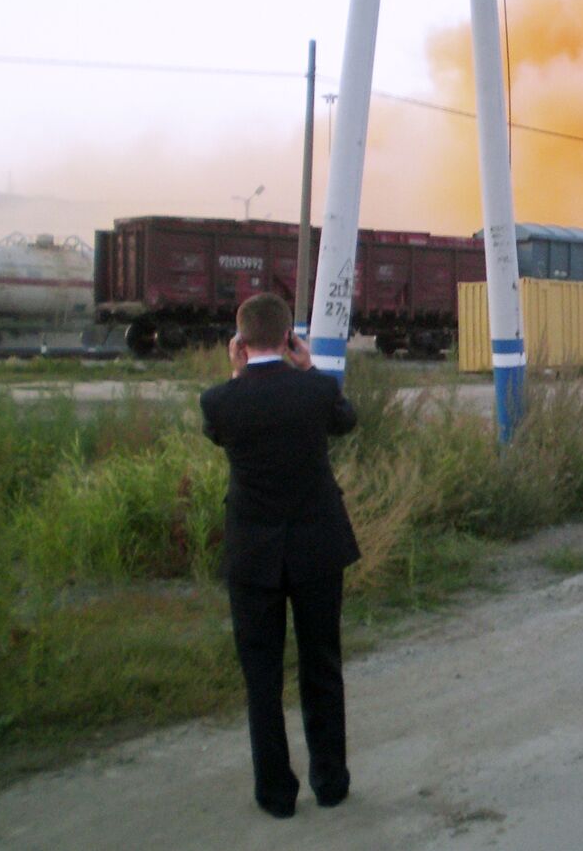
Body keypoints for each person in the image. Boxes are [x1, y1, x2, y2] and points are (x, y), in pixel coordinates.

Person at [200, 292, 361, 819]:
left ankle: (276, 795)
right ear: (289, 336)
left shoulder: (220, 400)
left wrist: (236, 373)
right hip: (317, 550)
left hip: (253, 556)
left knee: (262, 678)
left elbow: (218, 435)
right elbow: (345, 420)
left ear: (240, 342)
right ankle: (331, 783)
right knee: (322, 666)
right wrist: (311, 365)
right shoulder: (316, 390)